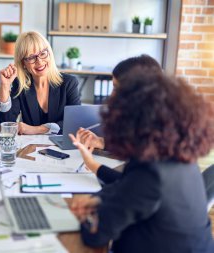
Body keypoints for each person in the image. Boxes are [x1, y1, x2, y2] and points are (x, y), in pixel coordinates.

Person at [69, 69, 214, 253]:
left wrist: (86, 214)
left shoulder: (151, 174)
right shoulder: (180, 157)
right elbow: (126, 187)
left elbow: (96, 235)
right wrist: (97, 198)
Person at [0, 31, 81, 135]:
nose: (39, 61)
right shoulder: (20, 84)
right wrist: (4, 87)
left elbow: (75, 123)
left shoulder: (69, 83)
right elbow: (5, 125)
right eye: (31, 57)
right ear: (23, 63)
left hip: (61, 147)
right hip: (31, 148)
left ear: (49, 54)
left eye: (42, 53)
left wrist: (37, 129)